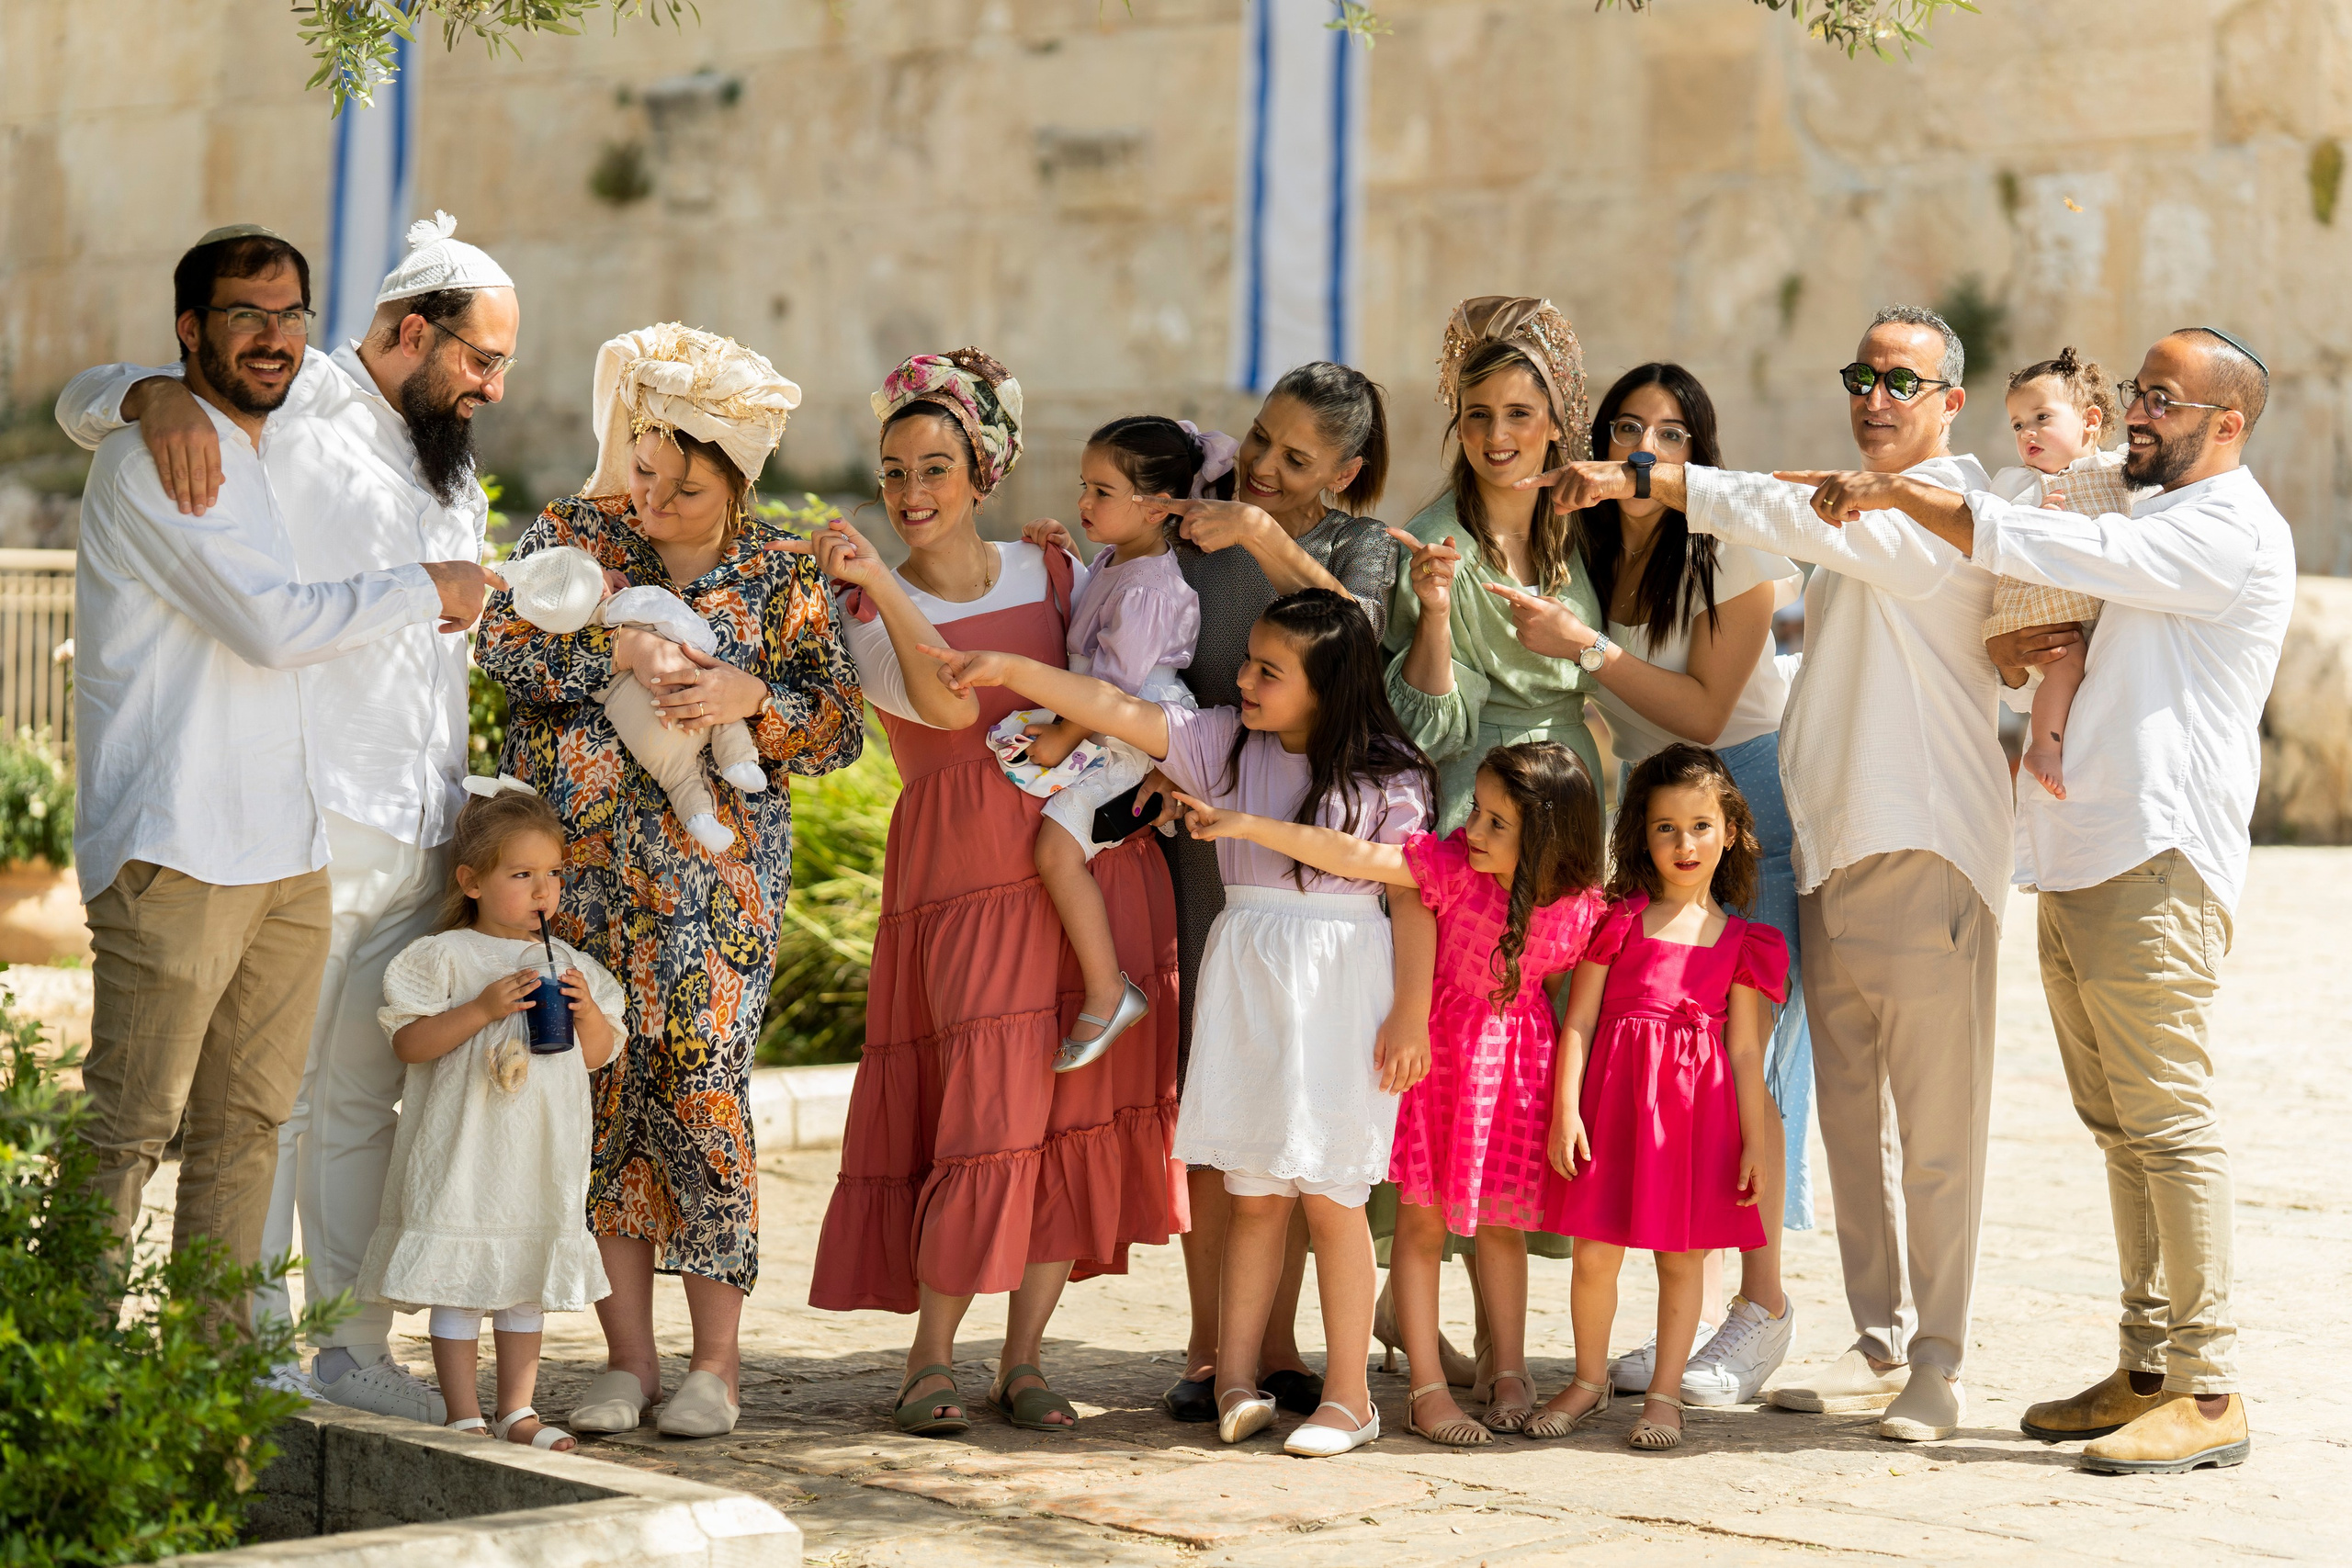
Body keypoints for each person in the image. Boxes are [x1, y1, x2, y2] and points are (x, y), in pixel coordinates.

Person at [1775, 327, 2291, 1475]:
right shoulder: (2141, 513)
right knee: (2118, 1127)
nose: (2141, 413)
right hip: (2082, 855)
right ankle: (2147, 1364)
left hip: (2155, 859)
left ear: (2227, 425)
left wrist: (1909, 501)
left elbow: (2024, 532)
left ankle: (2206, 1391)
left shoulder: (2225, 526)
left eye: (2167, 400)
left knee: (2165, 1118)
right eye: (2140, 393)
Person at [58, 210, 522, 1420]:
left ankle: (347, 1340)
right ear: (409, 332)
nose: (494, 385)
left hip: (400, 820)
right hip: (296, 809)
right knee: (233, 1104)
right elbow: (84, 400)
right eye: (481, 358)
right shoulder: (296, 396)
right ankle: (226, 1337)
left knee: (349, 1095)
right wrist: (142, 394)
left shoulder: (450, 461)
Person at [1548, 304, 2013, 1443]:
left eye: (1900, 380)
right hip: (1832, 849)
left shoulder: (1942, 516)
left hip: (1926, 851)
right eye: (1861, 374)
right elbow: (1807, 507)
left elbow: (1773, 505)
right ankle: (1876, 1344)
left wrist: (1643, 476)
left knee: (1936, 1131)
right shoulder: (1862, 511)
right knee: (1849, 1120)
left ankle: (1938, 1367)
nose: (1874, 395)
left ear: (1949, 402)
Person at [922, 588, 1432, 1459]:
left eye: (1269, 671)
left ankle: (1350, 1395)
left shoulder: (1389, 771)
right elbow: (1116, 708)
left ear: (1328, 684)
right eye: (1248, 664)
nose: (1243, 679)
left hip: (1345, 986)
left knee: (1336, 1196)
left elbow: (1410, 891)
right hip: (1250, 979)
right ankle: (1234, 1377)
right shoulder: (1225, 738)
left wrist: (1412, 1013)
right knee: (1252, 1191)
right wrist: (1013, 670)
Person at [478, 323, 865, 1440]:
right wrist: (615, 654)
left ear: (737, 484)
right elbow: (502, 644)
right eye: (644, 470)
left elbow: (836, 727)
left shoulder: (783, 573)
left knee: (700, 1089)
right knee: (598, 1094)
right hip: (579, 873)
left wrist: (756, 703)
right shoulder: (574, 535)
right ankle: (625, 1364)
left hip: (719, 885)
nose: (652, 500)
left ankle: (718, 1369)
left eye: (682, 488)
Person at [803, 350, 1182, 1439]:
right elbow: (942, 708)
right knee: (981, 1111)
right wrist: (877, 579)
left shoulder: (1056, 571)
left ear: (982, 472)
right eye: (892, 471)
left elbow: (1130, 668)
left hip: (1086, 863)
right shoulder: (862, 608)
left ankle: (1024, 1358)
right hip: (965, 873)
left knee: (1068, 1113)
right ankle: (929, 1357)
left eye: (936, 467)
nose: (912, 492)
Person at [1027, 364, 1398, 1425]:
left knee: (1295, 1086)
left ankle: (1282, 1348)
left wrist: (1265, 540)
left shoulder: (1349, 544)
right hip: (1200, 817)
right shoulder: (1199, 512)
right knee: (1218, 1080)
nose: (1270, 468)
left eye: (1298, 459)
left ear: (1347, 472)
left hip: (1304, 848)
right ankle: (1212, 1348)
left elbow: (1362, 643)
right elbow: (1134, 577)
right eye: (1261, 441)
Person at [1487, 362, 1806, 1407]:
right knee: (1658, 1076)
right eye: (1624, 427)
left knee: (1746, 1073)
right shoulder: (1583, 543)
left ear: (1693, 455)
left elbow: (1707, 713)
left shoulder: (1732, 543)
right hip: (1647, 812)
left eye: (1667, 435)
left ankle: (1759, 1312)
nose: (1641, 450)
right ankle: (1683, 1324)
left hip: (1741, 806)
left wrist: (1582, 648)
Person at [1170, 740, 1606, 1446]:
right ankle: (1428, 1387)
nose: (1476, 829)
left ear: (1549, 837)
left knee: (1502, 1225)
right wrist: (1246, 824)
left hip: (1514, 1078)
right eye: (1479, 811)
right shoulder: (1451, 867)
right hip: (1435, 1072)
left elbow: (1573, 1009)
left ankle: (1511, 1372)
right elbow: (1349, 854)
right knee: (1422, 1225)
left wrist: (1567, 1100)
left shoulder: (1582, 908)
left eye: (1499, 822)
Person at [1380, 295, 1609, 1335]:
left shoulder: (1577, 533)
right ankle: (1429, 1316)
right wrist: (1433, 612)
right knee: (1473, 1054)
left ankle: (1454, 1323)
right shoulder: (1435, 543)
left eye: (1520, 414)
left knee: (1531, 1066)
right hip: (1485, 812)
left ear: (1556, 422)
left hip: (1568, 811)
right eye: (1478, 416)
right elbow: (1429, 721)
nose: (1499, 437)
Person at [357, 780, 628, 1452]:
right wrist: (479, 1009)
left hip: (538, 1154)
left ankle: (517, 1409)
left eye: (554, 874)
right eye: (522, 873)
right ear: (472, 880)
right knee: (462, 1278)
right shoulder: (444, 956)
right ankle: (462, 1412)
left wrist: (588, 1011)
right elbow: (409, 1043)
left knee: (523, 1278)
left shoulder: (571, 965)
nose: (544, 890)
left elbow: (596, 1055)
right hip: (467, 1151)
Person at [1533, 744, 1784, 1452]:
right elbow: (1577, 1019)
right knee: (1595, 1254)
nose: (1684, 842)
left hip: (1696, 1124)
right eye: (1666, 826)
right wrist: (1566, 1107)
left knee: (1681, 1259)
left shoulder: (1743, 943)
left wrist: (1753, 1144)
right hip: (1612, 1115)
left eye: (1701, 825)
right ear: (1642, 834)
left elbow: (1743, 1051)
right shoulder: (1615, 922)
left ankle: (1665, 1393)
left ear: (1729, 830)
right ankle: (1586, 1379)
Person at [1012, 417, 1210, 1072]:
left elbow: (1113, 686)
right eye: (1083, 486)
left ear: (1156, 507)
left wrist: (1063, 737)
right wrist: (1067, 555)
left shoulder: (1152, 587)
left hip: (1133, 733)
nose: (1084, 501)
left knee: (1056, 849)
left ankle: (1108, 988)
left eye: (1101, 491)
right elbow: (1088, 621)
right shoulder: (1117, 558)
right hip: (1110, 721)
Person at [1982, 348, 2133, 800]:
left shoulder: (2118, 470)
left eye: (2041, 417)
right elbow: (1996, 529)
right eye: (2017, 424)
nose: (2027, 432)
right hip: (2040, 605)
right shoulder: (2020, 483)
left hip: (2085, 604)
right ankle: (2044, 749)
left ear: (2090, 421)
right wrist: (2035, 515)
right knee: (2066, 666)